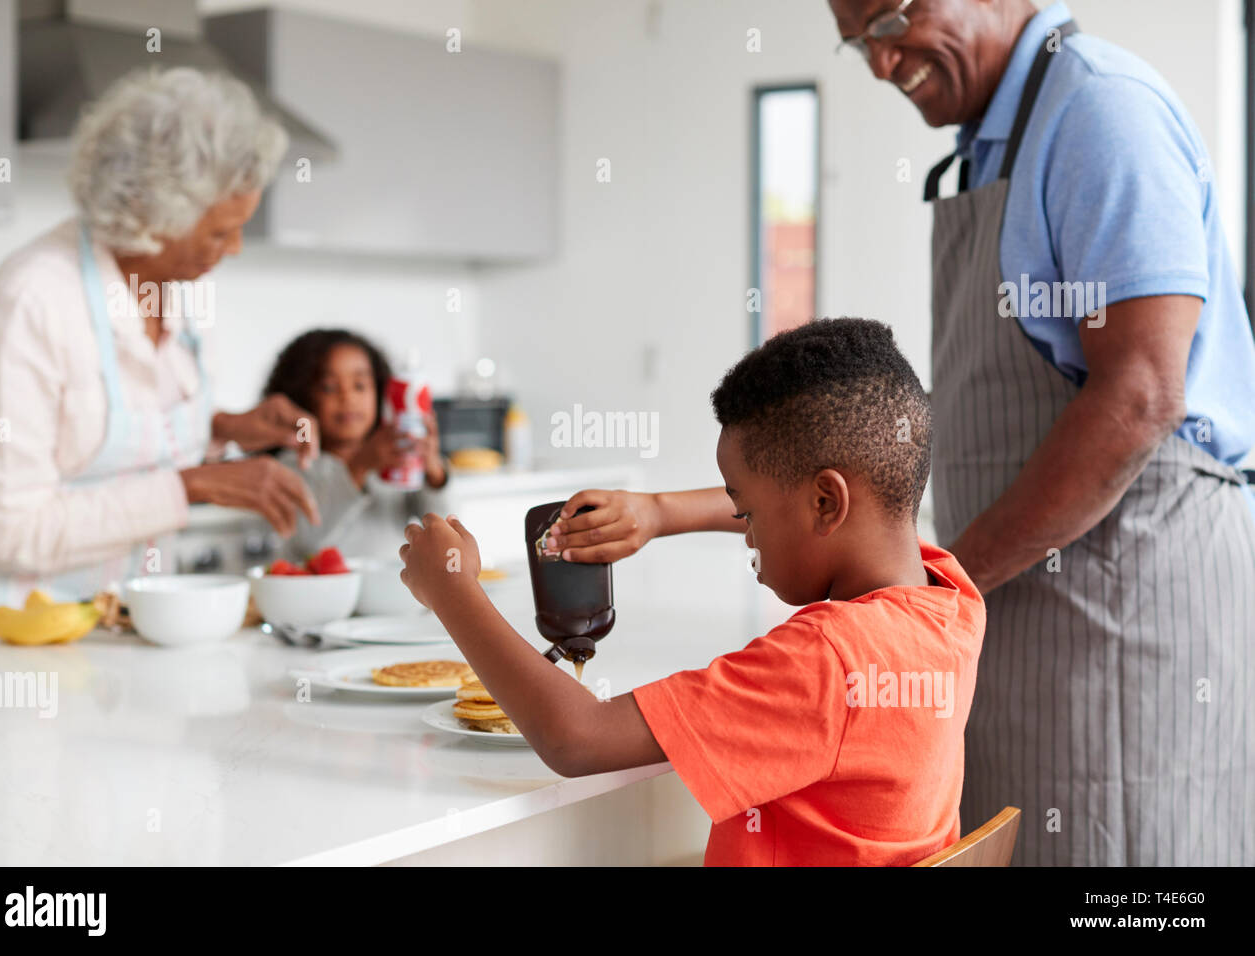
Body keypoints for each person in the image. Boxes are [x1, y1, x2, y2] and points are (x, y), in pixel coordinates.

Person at [549, 0, 1255, 866]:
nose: (882, 64)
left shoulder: (1100, 111)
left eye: (889, 19)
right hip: (1022, 598)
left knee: (1123, 866)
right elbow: (844, 494)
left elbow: (1141, 394)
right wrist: (667, 510)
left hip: (1127, 597)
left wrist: (918, 600)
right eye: (859, 44)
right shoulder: (988, 150)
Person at [399, 318, 987, 866]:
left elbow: (576, 740)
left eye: (747, 512)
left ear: (826, 503)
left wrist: (453, 590)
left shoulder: (826, 661)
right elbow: (829, 511)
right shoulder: (951, 597)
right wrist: (658, 513)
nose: (746, 533)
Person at [0, 67, 321, 629]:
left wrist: (223, 428)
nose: (236, 249)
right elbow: (11, 532)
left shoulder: (170, 292)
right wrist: (194, 485)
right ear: (154, 215)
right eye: (220, 232)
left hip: (124, 626)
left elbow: (103, 438)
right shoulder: (31, 303)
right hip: (14, 648)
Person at [261, 329, 448, 561]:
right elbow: (308, 541)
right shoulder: (293, 465)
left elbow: (446, 531)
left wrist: (434, 472)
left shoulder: (396, 462)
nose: (347, 397)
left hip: (391, 593)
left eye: (359, 385)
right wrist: (358, 467)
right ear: (302, 396)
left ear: (380, 393)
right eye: (329, 387)